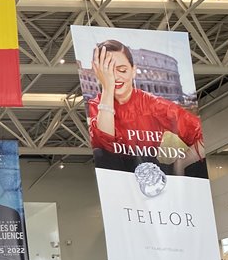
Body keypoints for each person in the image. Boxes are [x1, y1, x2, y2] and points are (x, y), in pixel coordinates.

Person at [88, 39, 206, 177]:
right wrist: (107, 88)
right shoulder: (95, 106)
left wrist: (181, 162)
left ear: (133, 70)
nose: (115, 76)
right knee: (100, 154)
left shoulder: (152, 103)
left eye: (122, 70)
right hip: (114, 176)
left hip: (150, 172)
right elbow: (104, 145)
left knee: (199, 167)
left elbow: (200, 132)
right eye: (107, 71)